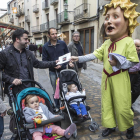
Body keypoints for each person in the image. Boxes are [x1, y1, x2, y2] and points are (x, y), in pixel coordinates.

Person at [70, 0, 140, 139]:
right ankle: (110, 126)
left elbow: (133, 62)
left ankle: (129, 126)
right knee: (106, 105)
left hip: (120, 78)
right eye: (107, 17)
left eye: (115, 17)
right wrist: (78, 58)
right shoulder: (107, 42)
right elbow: (95, 54)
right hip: (106, 78)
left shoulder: (128, 42)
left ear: (127, 22)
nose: (108, 21)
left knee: (123, 107)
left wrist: (118, 64)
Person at [42, 27, 69, 110]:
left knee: (65, 88)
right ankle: (57, 106)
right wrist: (53, 65)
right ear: (49, 35)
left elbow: (67, 56)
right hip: (53, 72)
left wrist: (63, 64)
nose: (55, 35)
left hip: (63, 70)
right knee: (55, 89)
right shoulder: (45, 47)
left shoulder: (62, 43)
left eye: (56, 33)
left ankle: (68, 105)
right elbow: (44, 61)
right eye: (53, 34)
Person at [129, 39, 140, 105]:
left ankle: (130, 103)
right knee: (127, 91)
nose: (139, 48)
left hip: (137, 74)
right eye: (138, 46)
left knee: (137, 91)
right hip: (129, 74)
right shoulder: (128, 53)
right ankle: (127, 105)